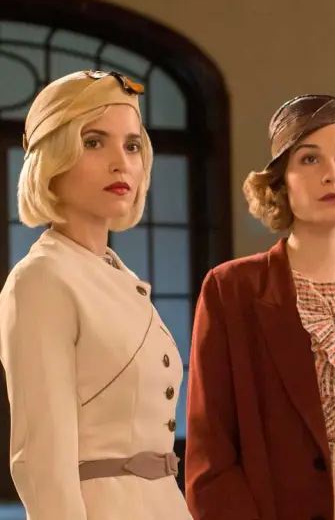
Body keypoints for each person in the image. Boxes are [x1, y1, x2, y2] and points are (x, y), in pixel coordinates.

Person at [184, 94, 335, 520]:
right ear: (280, 182)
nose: (332, 173)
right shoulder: (233, 290)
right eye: (310, 159)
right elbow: (211, 456)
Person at [0, 70, 191, 519]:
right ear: (52, 159)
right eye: (93, 142)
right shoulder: (41, 280)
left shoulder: (120, 278)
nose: (121, 162)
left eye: (132, 146)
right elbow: (41, 462)